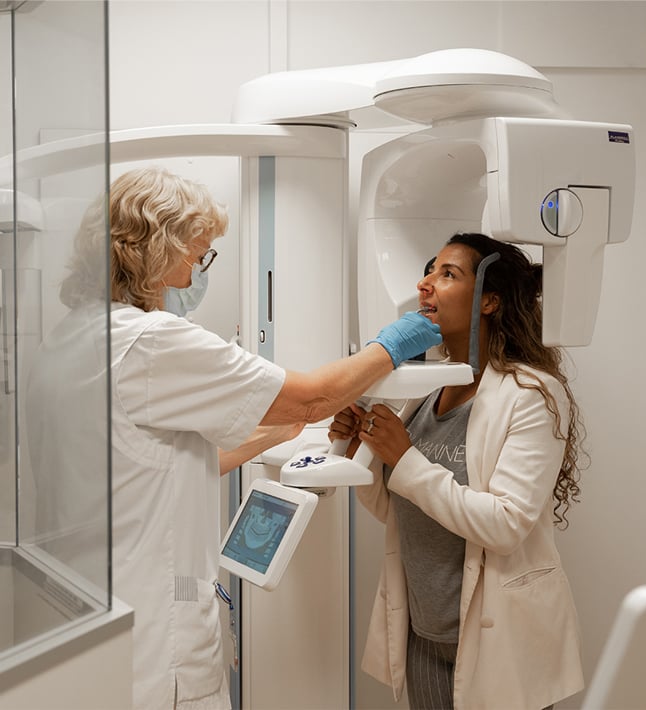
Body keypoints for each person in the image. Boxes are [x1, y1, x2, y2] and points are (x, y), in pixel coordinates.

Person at [25, 166, 441, 710]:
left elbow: (150, 461)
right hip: (151, 635)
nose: (193, 276)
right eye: (197, 256)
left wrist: (276, 433)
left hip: (85, 616)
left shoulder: (65, 341)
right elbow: (313, 396)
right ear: (160, 247)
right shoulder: (150, 341)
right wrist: (389, 345)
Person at [329, 232, 586, 710]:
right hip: (424, 636)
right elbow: (398, 509)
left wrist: (404, 457)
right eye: (429, 271)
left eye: (447, 274)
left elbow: (505, 524)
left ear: (489, 301)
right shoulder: (425, 389)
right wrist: (360, 449)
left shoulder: (531, 394)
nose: (424, 284)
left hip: (501, 640)